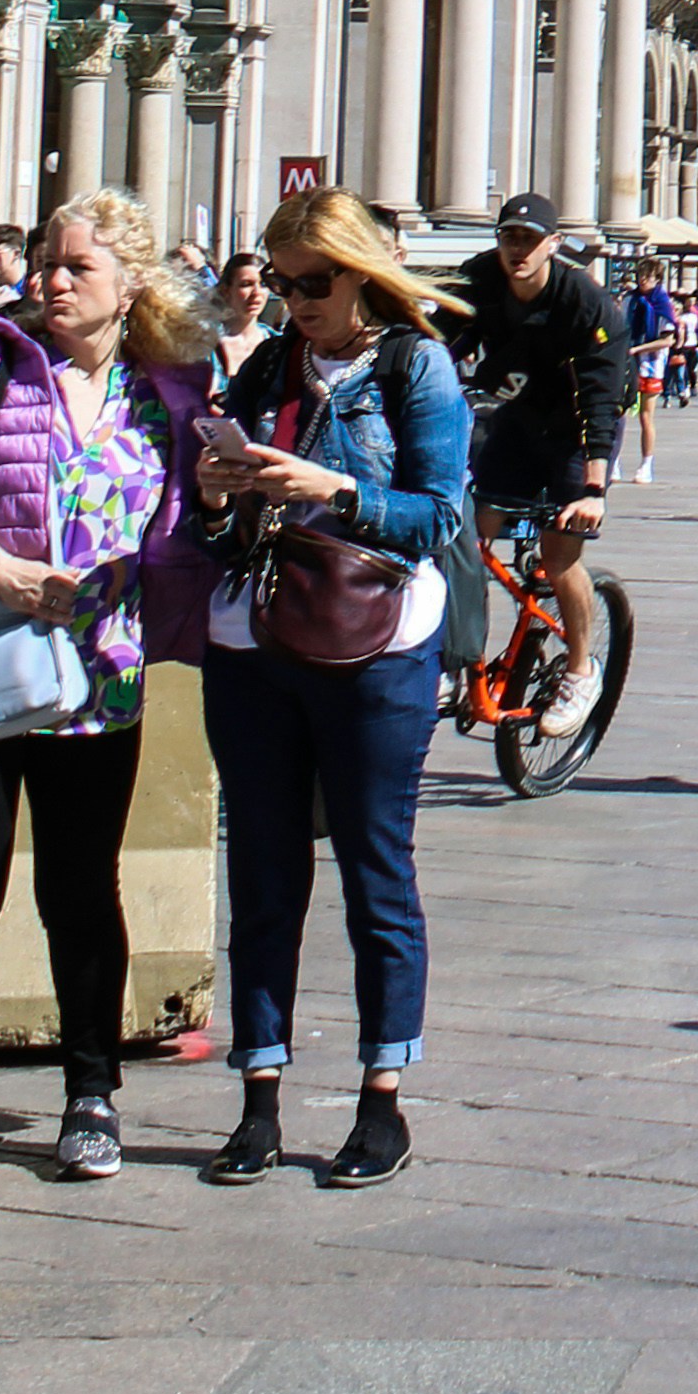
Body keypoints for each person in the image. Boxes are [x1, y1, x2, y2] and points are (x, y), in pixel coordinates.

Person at [0, 195, 214, 1195]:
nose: (52, 279)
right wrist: (2, 572)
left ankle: (90, 1092)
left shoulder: (170, 392)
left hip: (100, 677)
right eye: (48, 262)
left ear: (130, 286)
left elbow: (186, 527)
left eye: (78, 267)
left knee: (81, 889)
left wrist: (222, 497)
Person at [188, 189, 463, 1191]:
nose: (293, 300)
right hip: (256, 634)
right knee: (262, 871)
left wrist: (335, 490)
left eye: (314, 282)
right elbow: (212, 531)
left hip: (378, 640)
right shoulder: (268, 365)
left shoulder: (414, 365)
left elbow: (436, 516)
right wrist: (219, 494)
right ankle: (258, 1093)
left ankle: (382, 1093)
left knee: (374, 867)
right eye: (279, 280)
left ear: (361, 274)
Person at [453, 195, 624, 739]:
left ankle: (580, 669)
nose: (518, 251)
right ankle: (452, 656)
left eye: (530, 240)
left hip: (576, 430)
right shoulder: (479, 279)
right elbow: (436, 339)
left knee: (558, 554)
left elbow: (601, 396)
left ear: (554, 244)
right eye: (509, 238)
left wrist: (594, 487)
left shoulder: (584, 301)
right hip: (519, 418)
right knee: (466, 538)